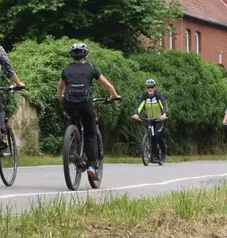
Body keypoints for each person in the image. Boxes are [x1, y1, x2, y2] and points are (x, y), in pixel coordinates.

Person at [56, 43, 120, 179]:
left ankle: (73, 147)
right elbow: (107, 85)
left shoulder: (66, 69)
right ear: (86, 55)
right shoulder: (90, 68)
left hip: (69, 104)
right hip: (86, 103)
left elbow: (60, 89)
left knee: (74, 121)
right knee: (90, 133)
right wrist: (114, 96)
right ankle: (91, 165)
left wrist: (60, 96)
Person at [132, 78, 169, 163]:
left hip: (159, 119)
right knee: (151, 137)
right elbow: (139, 106)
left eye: (152, 87)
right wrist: (136, 114)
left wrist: (164, 114)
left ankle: (163, 154)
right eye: (148, 87)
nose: (150, 89)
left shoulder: (158, 96)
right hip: (149, 120)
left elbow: (163, 105)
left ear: (154, 87)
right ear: (146, 88)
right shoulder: (144, 96)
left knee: (157, 135)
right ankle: (154, 157)